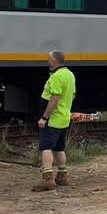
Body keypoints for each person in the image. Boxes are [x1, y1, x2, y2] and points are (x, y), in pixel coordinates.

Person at [34, 50, 76, 191]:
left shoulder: (57, 76)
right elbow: (72, 94)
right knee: (59, 148)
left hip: (53, 119)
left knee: (46, 147)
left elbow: (55, 98)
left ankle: (47, 179)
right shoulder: (69, 74)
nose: (47, 61)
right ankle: (62, 176)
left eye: (49, 58)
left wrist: (44, 117)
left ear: (54, 60)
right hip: (64, 117)